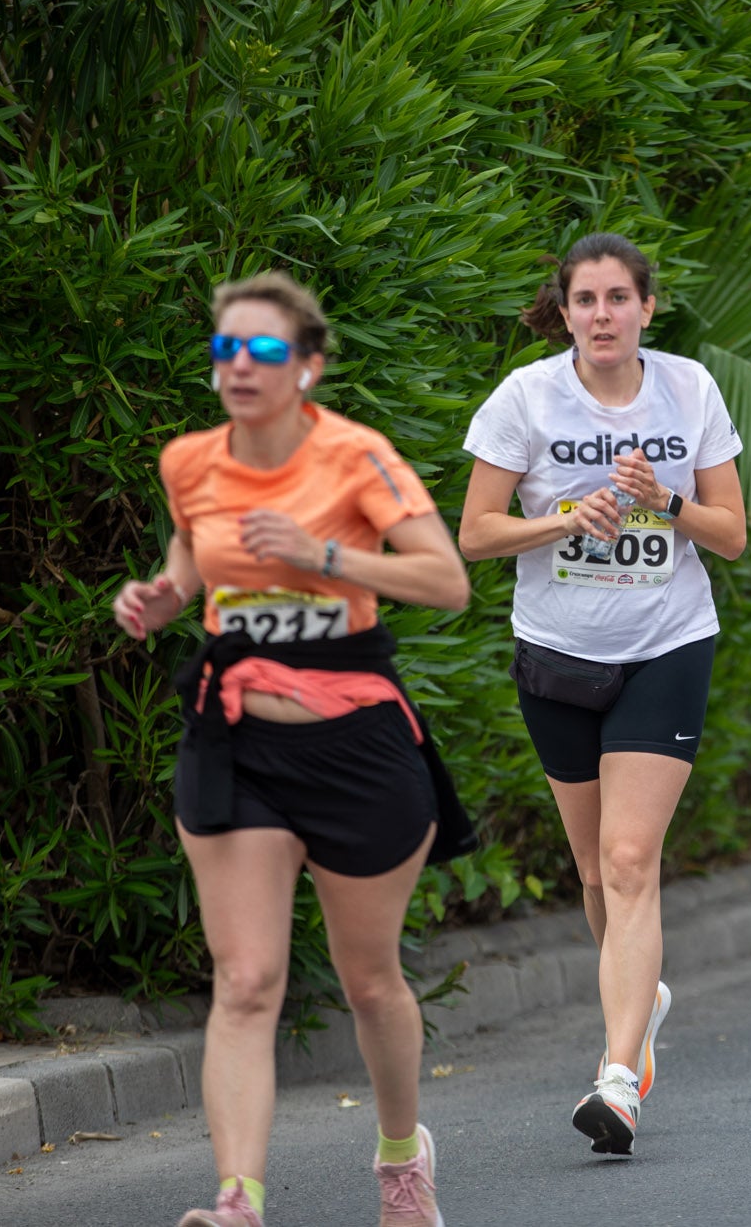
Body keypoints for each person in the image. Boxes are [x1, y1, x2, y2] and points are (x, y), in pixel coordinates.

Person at [113, 271, 474, 1227]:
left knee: (370, 980)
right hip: (237, 742)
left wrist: (323, 555)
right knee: (245, 981)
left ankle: (402, 1157)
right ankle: (238, 1201)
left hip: (356, 746)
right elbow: (195, 555)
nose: (241, 365)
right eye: (227, 348)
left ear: (306, 366)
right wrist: (163, 594)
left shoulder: (356, 457)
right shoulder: (189, 460)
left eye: (264, 350)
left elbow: (445, 581)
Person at [458, 232, 746, 1156]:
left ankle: (618, 1077)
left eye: (620, 298)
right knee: (593, 875)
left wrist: (664, 501)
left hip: (667, 643)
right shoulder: (527, 397)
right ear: (567, 310)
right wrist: (561, 520)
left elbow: (732, 534)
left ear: (647, 309)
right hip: (559, 653)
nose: (603, 315)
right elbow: (473, 534)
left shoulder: (689, 388)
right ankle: (642, 997)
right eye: (587, 300)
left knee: (629, 860)